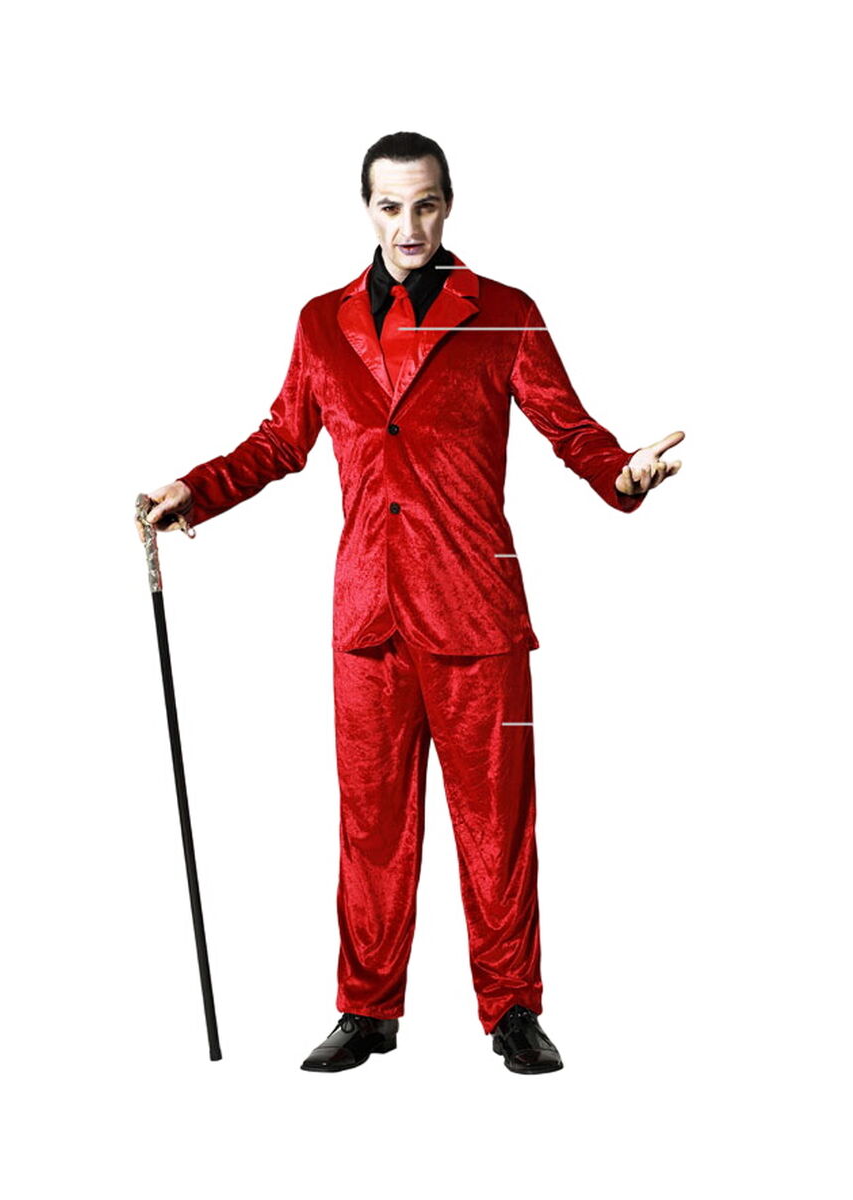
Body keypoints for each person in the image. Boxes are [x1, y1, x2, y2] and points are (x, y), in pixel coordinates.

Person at [140, 131, 683, 1074]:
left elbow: (569, 428)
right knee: (371, 826)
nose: (408, 226)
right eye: (390, 206)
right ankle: (367, 1009)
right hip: (370, 613)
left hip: (476, 609)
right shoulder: (322, 324)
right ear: (367, 209)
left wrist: (622, 473)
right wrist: (197, 489)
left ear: (448, 204)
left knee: (498, 827)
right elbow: (279, 441)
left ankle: (513, 1009)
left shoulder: (504, 314)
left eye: (425, 204)